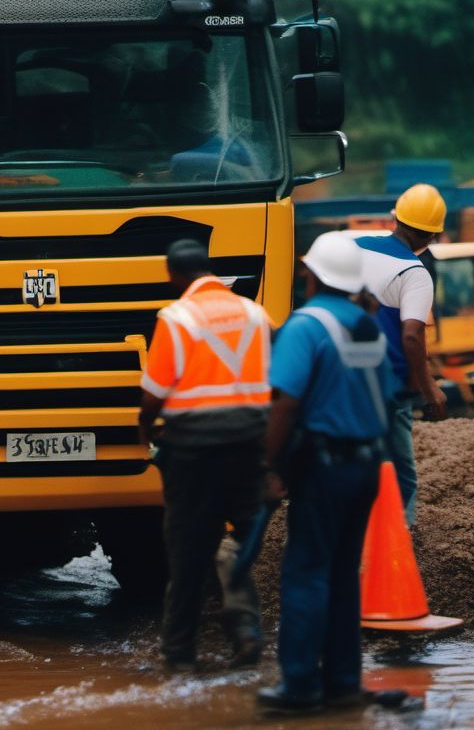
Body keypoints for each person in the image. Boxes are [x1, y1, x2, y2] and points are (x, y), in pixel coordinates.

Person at [258, 231, 398, 713]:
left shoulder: (307, 325)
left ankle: (298, 686)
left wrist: (269, 466)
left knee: (307, 573)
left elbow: (285, 403)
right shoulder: (369, 327)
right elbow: (385, 394)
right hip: (365, 467)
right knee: (341, 575)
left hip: (323, 467)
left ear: (310, 272)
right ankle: (341, 682)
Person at [139, 238, 273, 670]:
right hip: (249, 448)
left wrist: (146, 430)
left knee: (188, 556)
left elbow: (155, 393)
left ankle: (179, 657)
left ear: (173, 275)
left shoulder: (176, 318)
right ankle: (248, 636)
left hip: (193, 453)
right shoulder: (255, 313)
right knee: (239, 546)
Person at [353, 183, 448, 524]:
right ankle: (397, 540)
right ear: (432, 237)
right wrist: (429, 387)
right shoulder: (414, 273)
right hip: (387, 385)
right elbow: (411, 336)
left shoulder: (354, 247)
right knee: (401, 472)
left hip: (345, 375)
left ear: (395, 218)